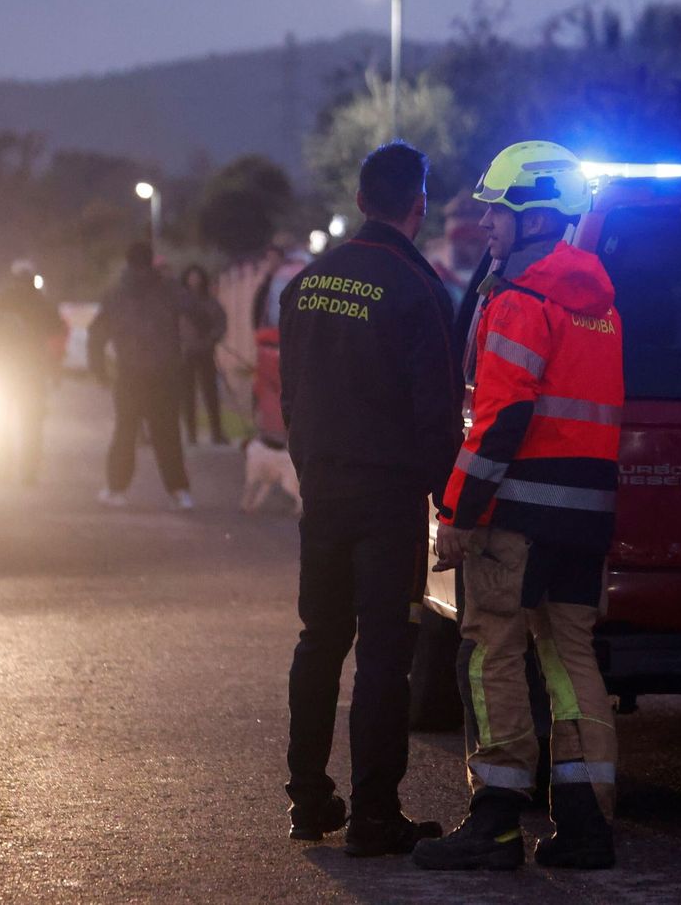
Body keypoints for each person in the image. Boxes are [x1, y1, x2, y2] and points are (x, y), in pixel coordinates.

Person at [414, 141, 624, 873]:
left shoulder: (521, 299)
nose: (486, 226)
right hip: (584, 518)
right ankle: (588, 827)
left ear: (534, 217)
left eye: (497, 212)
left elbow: (501, 419)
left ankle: (496, 821)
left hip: (519, 516)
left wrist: (457, 514)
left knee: (491, 653)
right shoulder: (599, 301)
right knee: (572, 664)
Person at [278, 142, 462, 857]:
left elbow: (292, 396)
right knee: (386, 649)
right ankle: (375, 813)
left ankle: (307, 799)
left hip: (323, 487)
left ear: (359, 202)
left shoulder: (307, 282)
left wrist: (309, 467)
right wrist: (450, 504)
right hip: (388, 497)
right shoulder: (419, 289)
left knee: (319, 639)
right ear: (417, 207)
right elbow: (436, 415)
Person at [87, 241, 195, 510]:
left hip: (129, 373)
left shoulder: (115, 294)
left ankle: (116, 489)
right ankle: (179, 491)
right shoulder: (170, 290)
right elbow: (204, 313)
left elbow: (96, 334)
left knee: (125, 431)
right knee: (167, 433)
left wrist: (99, 371)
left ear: (127, 261)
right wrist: (197, 346)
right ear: (152, 261)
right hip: (166, 373)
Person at [0, 259, 65, 484]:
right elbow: (56, 328)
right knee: (32, 424)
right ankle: (28, 473)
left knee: (0, 422)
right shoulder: (41, 302)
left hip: (3, 371)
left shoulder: (0, 299)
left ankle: (3, 471)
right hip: (32, 371)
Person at [179, 264, 229, 446]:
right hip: (186, 354)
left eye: (197, 277)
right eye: (191, 277)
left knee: (211, 394)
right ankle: (191, 434)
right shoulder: (180, 303)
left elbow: (221, 323)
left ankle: (216, 433)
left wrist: (211, 339)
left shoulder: (210, 302)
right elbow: (173, 327)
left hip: (206, 352)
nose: (194, 280)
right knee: (188, 395)